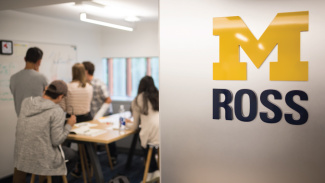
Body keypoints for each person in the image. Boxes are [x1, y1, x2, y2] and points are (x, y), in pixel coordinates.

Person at [14, 80, 78, 183]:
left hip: (21, 154)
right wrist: (69, 125)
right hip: (42, 157)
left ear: (45, 90)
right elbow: (57, 141)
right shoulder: (57, 111)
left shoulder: (26, 102)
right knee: (73, 155)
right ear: (60, 96)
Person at [59, 63, 93, 178]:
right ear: (84, 72)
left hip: (71, 120)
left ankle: (62, 173)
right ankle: (86, 168)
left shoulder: (67, 87)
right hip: (87, 120)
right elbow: (88, 103)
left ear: (73, 72)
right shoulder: (89, 87)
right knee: (87, 147)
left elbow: (63, 107)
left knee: (64, 148)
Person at [82, 61, 117, 164]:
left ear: (86, 71)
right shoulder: (83, 84)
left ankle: (113, 157)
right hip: (92, 116)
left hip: (104, 115)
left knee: (110, 138)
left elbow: (108, 99)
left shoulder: (98, 83)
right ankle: (91, 159)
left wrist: (99, 115)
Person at [125, 76, 160, 183]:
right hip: (163, 131)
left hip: (150, 133)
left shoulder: (137, 99)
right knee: (148, 140)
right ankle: (154, 171)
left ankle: (152, 172)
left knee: (143, 139)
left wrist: (126, 125)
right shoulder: (158, 95)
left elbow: (135, 126)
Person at [10, 47, 48, 116]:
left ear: (25, 59)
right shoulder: (42, 78)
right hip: (38, 120)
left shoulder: (13, 78)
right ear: (39, 61)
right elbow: (47, 97)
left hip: (21, 120)